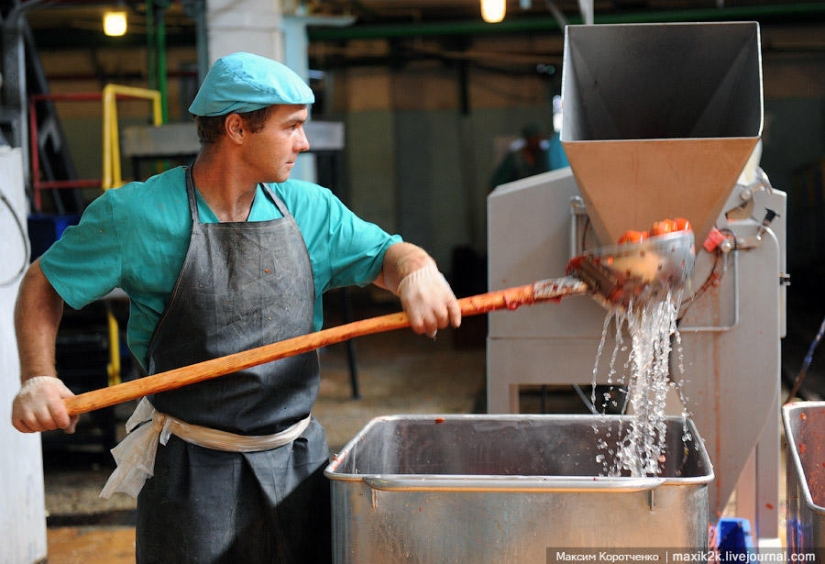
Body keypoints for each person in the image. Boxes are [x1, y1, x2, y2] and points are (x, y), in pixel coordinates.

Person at [11, 52, 461, 563]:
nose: (303, 142)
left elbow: (388, 255)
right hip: (191, 472)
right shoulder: (135, 215)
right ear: (237, 128)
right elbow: (43, 281)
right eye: (291, 127)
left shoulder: (311, 210)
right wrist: (37, 376)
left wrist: (417, 271)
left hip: (296, 461)